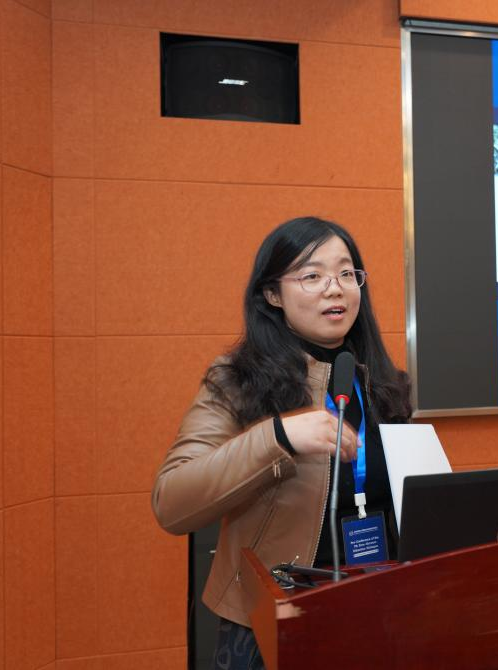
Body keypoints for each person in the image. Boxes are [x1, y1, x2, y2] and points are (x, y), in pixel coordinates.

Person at [151, 216, 412, 669]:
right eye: (312, 276)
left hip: (376, 611)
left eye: (346, 273)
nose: (335, 289)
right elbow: (171, 502)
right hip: (272, 622)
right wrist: (277, 437)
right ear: (273, 295)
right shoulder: (236, 380)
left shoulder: (385, 384)